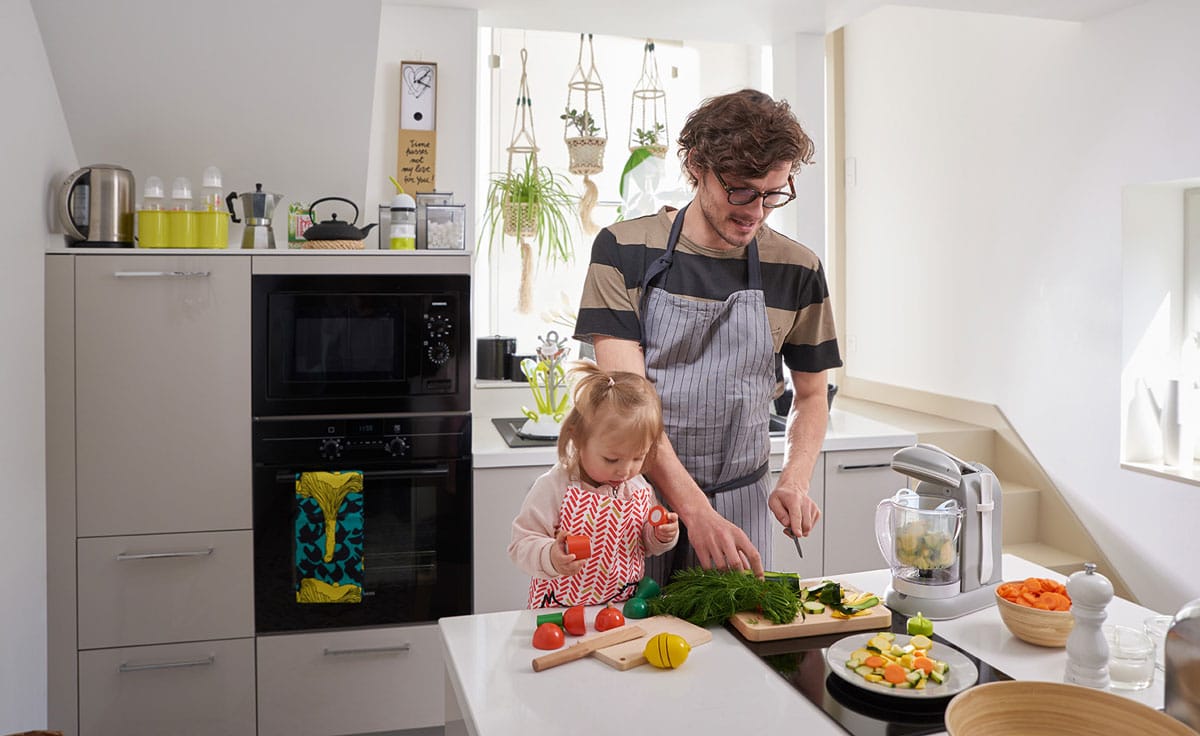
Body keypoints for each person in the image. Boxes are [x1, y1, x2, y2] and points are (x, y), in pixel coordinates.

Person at [573, 88, 841, 581]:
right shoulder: (622, 249)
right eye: (740, 189)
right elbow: (629, 404)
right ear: (697, 165)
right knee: (633, 645)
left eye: (772, 193)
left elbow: (811, 394)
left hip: (743, 508)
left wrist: (795, 480)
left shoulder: (798, 269)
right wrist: (694, 513)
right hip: (635, 503)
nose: (756, 211)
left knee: (748, 653)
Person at [508, 363, 680, 608]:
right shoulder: (555, 487)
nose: (625, 470)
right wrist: (551, 557)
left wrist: (661, 536)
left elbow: (643, 545)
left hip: (621, 609)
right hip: (560, 610)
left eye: (638, 457)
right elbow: (520, 545)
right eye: (611, 459)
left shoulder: (638, 487)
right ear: (577, 438)